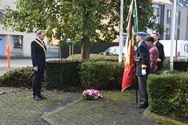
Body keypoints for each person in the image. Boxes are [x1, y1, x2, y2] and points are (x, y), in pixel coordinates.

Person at [135, 32, 150, 108]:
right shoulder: (142, 44)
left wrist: (143, 69)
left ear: (142, 37)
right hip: (141, 68)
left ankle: (143, 102)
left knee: (142, 87)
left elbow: (145, 59)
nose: (136, 37)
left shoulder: (142, 46)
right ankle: (143, 101)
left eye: (138, 36)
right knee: (142, 86)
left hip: (141, 69)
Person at [31, 30, 47, 101]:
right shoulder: (34, 43)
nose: (44, 36)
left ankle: (39, 94)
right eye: (43, 35)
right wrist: (35, 65)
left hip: (42, 64)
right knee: (36, 79)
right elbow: (33, 55)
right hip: (37, 65)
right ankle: (35, 95)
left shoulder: (42, 43)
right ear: (38, 35)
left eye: (44, 35)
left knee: (40, 79)